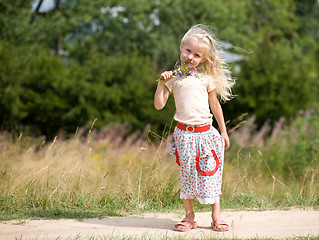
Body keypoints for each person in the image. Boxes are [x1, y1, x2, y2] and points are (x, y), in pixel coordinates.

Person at [154, 24, 235, 232]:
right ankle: (189, 217)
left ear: (203, 60)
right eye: (188, 51)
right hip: (185, 135)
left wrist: (224, 131)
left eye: (197, 55)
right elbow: (159, 105)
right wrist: (161, 84)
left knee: (212, 174)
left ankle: (216, 215)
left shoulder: (205, 79)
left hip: (206, 134)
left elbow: (215, 106)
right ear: (181, 48)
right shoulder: (172, 79)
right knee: (188, 176)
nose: (191, 57)